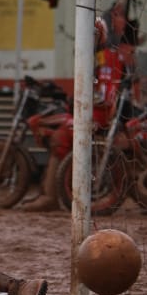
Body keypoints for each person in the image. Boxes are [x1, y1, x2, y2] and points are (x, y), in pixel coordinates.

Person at [24, 17, 126, 212]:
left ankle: (50, 197)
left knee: (60, 136)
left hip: (98, 117)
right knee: (42, 124)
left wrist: (81, 100)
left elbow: (106, 95)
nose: (86, 39)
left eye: (91, 35)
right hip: (85, 113)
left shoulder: (107, 57)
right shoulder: (89, 56)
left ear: (100, 36)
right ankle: (48, 187)